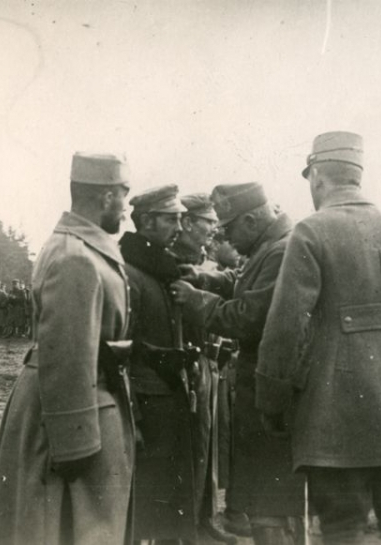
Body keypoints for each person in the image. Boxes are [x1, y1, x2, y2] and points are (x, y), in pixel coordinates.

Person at [255, 131, 381, 545]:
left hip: (338, 410)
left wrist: (272, 398)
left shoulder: (310, 232)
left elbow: (286, 326)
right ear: (358, 175)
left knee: (343, 526)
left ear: (316, 177)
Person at [0, 152, 134, 544]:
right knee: (62, 525)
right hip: (70, 412)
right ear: (104, 197)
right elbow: (69, 355)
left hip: (74, 401)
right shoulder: (75, 258)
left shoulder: (78, 248)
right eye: (123, 194)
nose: (126, 205)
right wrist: (76, 444)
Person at [171, 183, 303, 545]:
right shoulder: (269, 246)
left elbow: (248, 316)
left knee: (269, 504)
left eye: (228, 229)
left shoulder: (281, 251)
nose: (223, 237)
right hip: (264, 384)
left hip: (271, 387)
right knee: (267, 498)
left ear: (250, 220)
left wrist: (196, 299)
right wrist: (204, 277)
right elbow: (242, 281)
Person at [119, 184, 200, 541]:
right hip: (145, 401)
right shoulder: (131, 273)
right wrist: (132, 414)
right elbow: (122, 350)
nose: (180, 228)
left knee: (167, 498)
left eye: (181, 219)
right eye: (171, 219)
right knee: (143, 500)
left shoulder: (162, 269)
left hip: (170, 396)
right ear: (147, 221)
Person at [169, 192, 236, 544]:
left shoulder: (204, 264)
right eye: (207, 222)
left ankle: (203, 517)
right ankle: (187, 524)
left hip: (211, 361)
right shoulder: (172, 262)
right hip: (188, 364)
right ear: (188, 222)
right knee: (189, 445)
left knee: (207, 445)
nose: (213, 229)